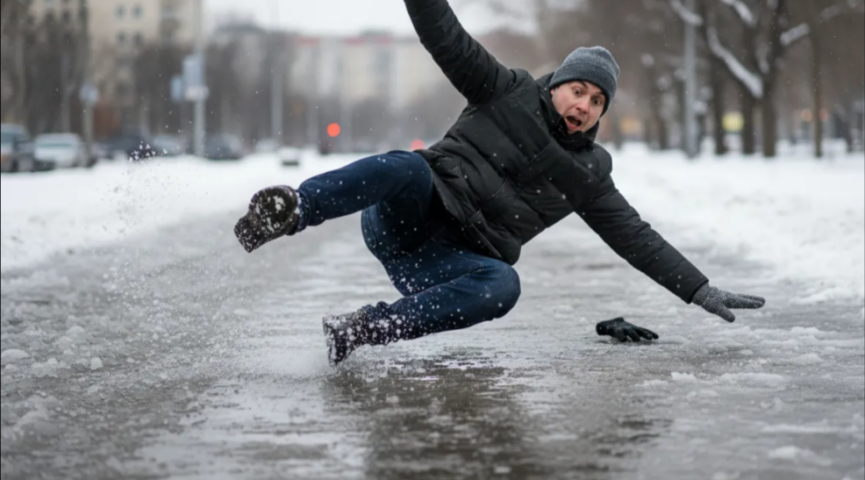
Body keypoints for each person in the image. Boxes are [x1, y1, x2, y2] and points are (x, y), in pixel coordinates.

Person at [234, 0, 766, 365]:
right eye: (578, 90)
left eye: (597, 100)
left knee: (502, 285)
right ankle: (292, 211)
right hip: (408, 217)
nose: (584, 104)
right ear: (557, 84)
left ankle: (363, 330)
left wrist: (699, 289)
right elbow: (444, 36)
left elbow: (636, 237)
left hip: (446, 267)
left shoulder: (590, 174)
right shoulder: (502, 89)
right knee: (406, 165)